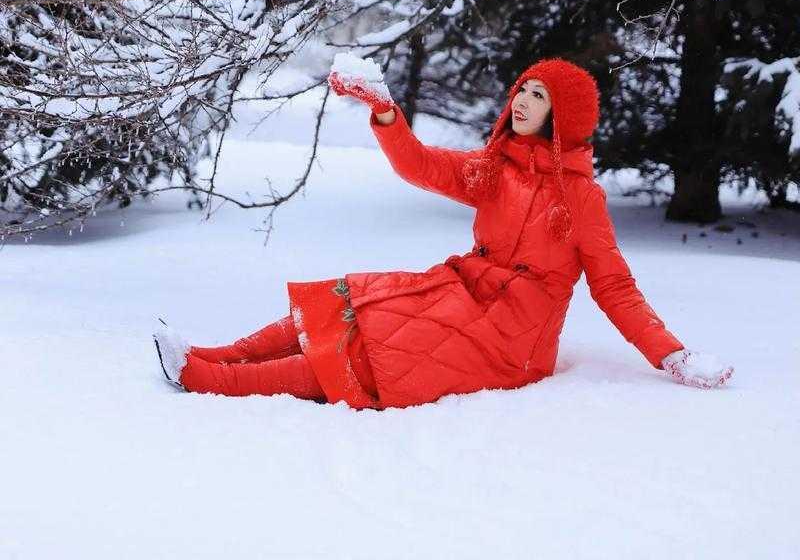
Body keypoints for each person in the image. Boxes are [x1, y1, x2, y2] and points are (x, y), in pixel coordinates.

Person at [153, 56, 734, 408]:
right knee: (353, 300)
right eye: (524, 90)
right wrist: (385, 112)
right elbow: (420, 165)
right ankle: (216, 354)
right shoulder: (495, 169)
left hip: (513, 340)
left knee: (378, 356)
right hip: (463, 290)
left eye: (541, 96)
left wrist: (672, 355)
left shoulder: (581, 199)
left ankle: (205, 380)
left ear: (567, 116)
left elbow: (615, 287)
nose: (525, 101)